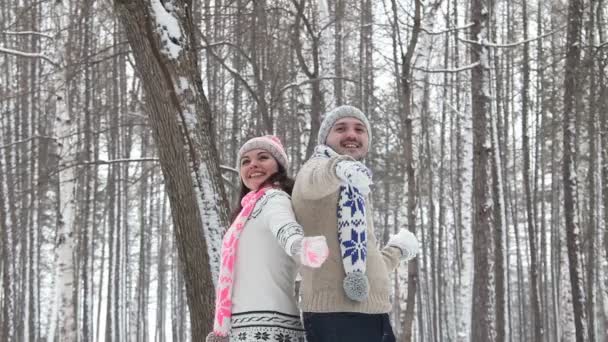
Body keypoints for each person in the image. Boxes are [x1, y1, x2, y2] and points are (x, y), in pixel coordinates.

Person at [292, 105, 420, 342]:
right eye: (341, 128)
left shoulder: (355, 190)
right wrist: (340, 167)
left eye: (360, 129)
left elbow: (363, 258)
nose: (352, 134)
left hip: (375, 314)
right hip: (333, 317)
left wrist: (396, 251)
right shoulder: (315, 170)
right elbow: (317, 178)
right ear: (325, 139)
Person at [206, 135, 329, 342]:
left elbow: (284, 227)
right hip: (244, 326)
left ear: (278, 166)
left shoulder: (274, 198)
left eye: (262, 157)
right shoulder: (246, 212)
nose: (253, 164)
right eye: (245, 161)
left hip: (269, 326)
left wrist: (299, 246)